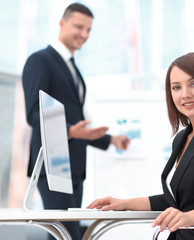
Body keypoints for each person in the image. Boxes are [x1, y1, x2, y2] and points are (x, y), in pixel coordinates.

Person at [88, 52, 194, 240]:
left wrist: (188, 217)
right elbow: (174, 200)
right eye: (176, 87)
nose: (185, 94)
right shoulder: (182, 138)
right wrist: (123, 203)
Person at [22, 3, 130, 240]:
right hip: (52, 167)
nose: (84, 35)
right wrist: (71, 131)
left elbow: (75, 126)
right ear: (62, 23)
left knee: (61, 236)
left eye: (89, 30)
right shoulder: (40, 61)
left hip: (73, 169)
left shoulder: (72, 67)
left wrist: (110, 139)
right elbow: (33, 114)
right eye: (79, 27)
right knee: (67, 236)